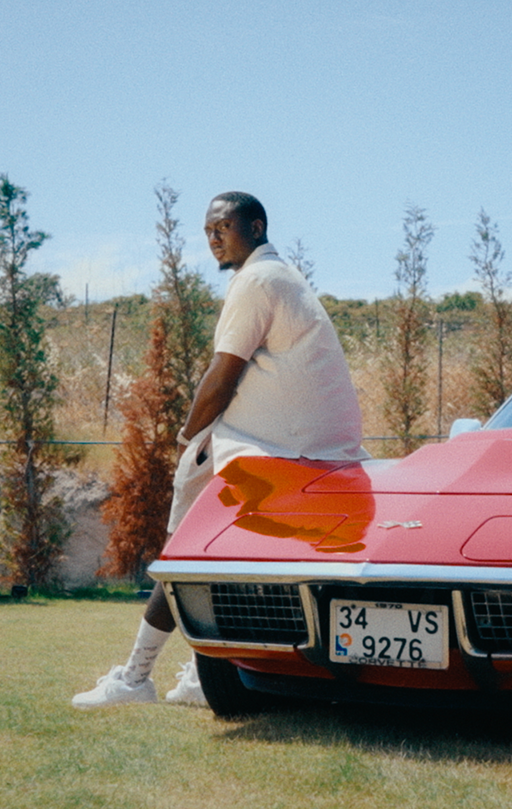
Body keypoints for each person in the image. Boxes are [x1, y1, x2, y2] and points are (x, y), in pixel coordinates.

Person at [72, 191, 370, 709]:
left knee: (183, 554)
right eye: (209, 231)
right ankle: (196, 676)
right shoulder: (283, 277)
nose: (214, 238)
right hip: (322, 452)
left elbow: (222, 373)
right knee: (221, 560)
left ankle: (135, 678)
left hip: (278, 449)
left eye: (224, 227)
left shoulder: (257, 280)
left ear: (256, 227)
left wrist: (187, 437)